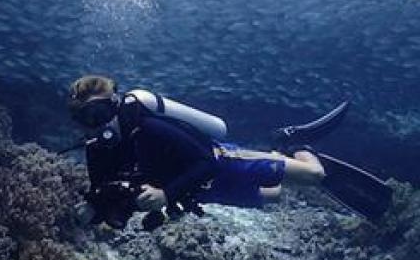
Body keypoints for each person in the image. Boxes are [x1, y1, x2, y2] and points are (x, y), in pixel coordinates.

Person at [66, 75, 392, 229]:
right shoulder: (98, 149)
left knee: (314, 175)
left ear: (114, 105)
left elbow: (205, 161)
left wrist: (165, 194)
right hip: (198, 191)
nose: (96, 125)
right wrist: (93, 209)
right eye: (85, 119)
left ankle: (293, 143)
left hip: (223, 162)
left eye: (99, 113)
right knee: (275, 195)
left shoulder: (148, 126)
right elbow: (105, 189)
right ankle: (278, 152)